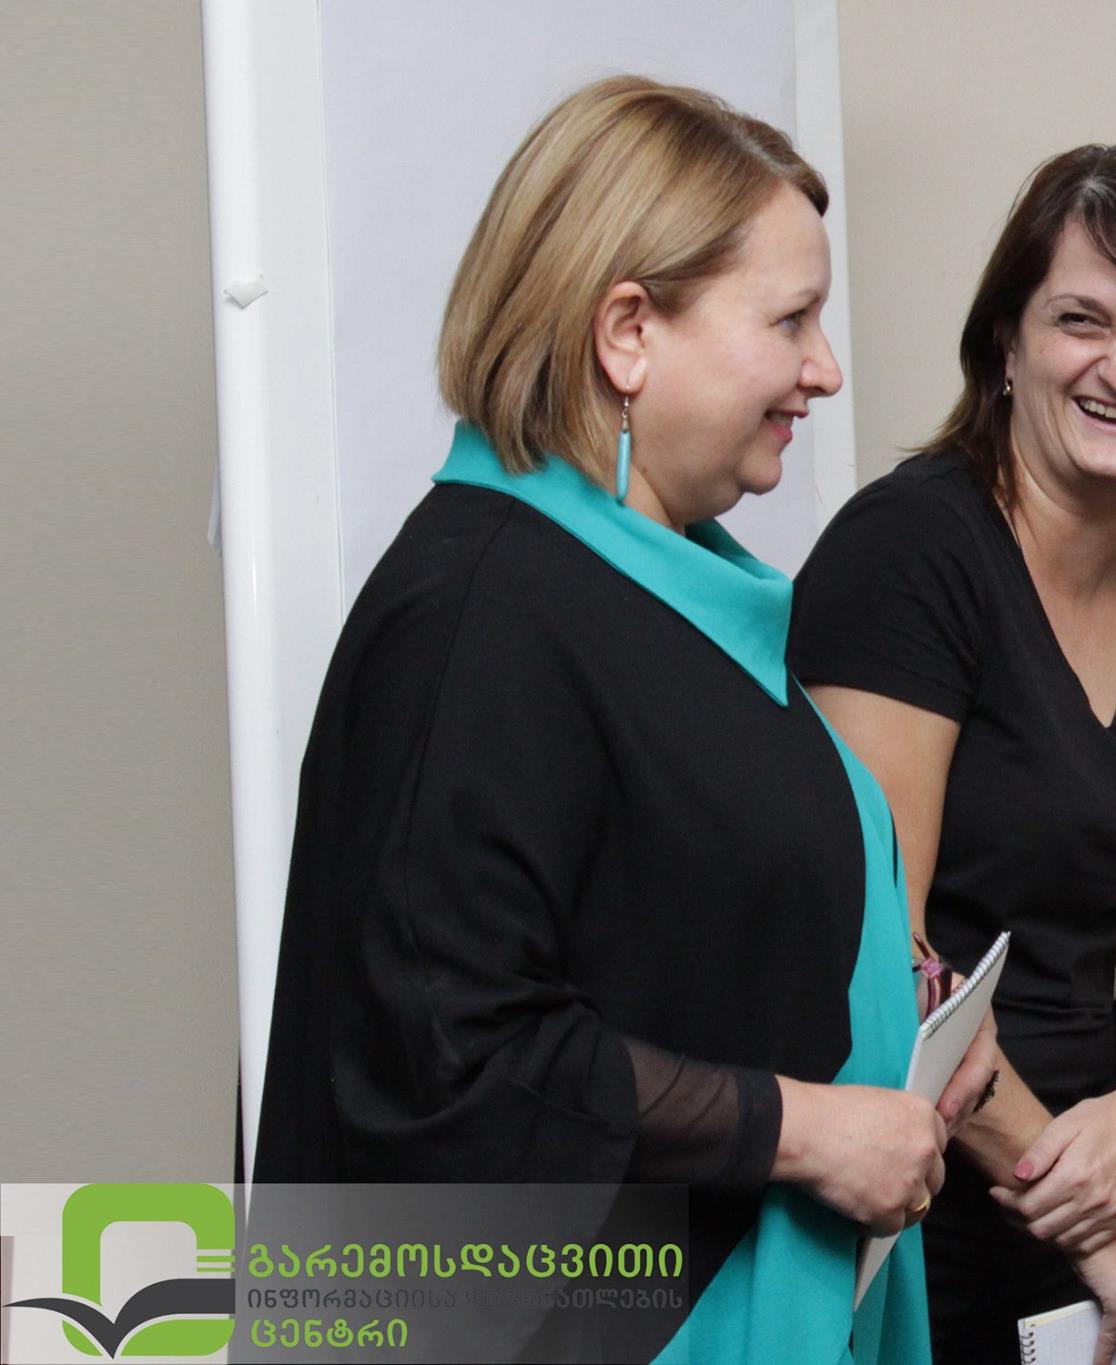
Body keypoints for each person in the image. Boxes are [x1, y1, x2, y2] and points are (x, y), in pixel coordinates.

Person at [253, 76, 992, 1365]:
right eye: (790, 320)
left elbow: (672, 918)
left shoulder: (662, 585)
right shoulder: (476, 616)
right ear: (628, 332)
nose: (823, 371)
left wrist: (900, 1012)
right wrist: (806, 1130)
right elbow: (454, 1050)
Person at [788, 145, 1116, 1365]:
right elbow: (879, 947)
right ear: (1006, 342)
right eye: (1081, 320)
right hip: (920, 1172)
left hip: (1108, 1155)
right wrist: (1079, 1207)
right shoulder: (910, 551)